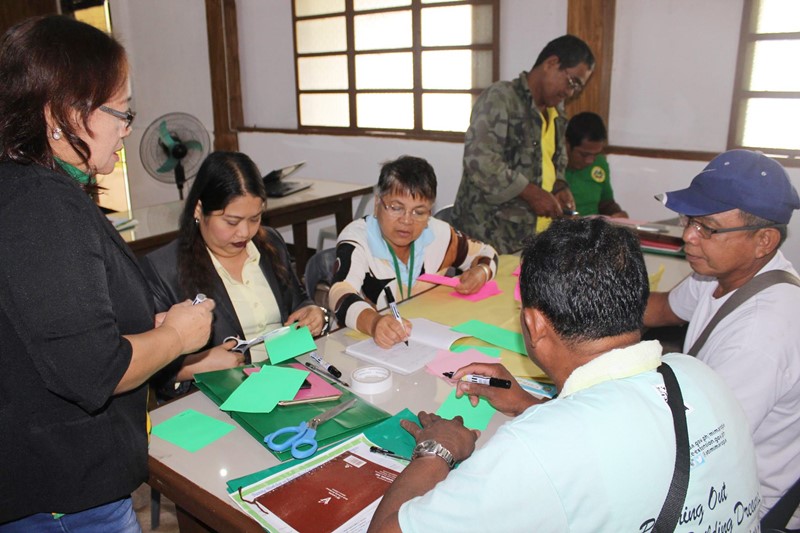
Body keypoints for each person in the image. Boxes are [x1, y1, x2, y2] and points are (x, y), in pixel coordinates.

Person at [367, 218, 761, 532]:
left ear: (534, 325)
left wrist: (438, 449)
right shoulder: (698, 375)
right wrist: (525, 402)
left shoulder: (535, 450)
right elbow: (614, 428)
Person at [0, 16, 213, 531]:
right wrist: (175, 335)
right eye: (120, 111)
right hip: (62, 492)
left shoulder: (29, 188)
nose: (127, 128)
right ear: (62, 113)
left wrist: (150, 330)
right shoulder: (42, 206)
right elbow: (96, 371)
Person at [643, 149, 800, 527]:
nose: (687, 238)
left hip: (739, 499)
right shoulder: (719, 274)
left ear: (764, 240)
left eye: (707, 229)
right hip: (701, 435)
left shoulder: (761, 334)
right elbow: (661, 309)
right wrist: (583, 310)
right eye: (689, 220)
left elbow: (696, 446)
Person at [140, 151, 327, 399]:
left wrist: (313, 313)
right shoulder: (163, 269)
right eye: (231, 221)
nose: (245, 232)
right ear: (199, 209)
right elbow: (145, 364)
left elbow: (298, 301)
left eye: (255, 218)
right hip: (217, 398)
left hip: (289, 381)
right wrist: (195, 367)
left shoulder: (269, 242)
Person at [330, 156, 498, 348]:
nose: (407, 220)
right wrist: (375, 322)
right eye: (396, 208)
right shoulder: (357, 240)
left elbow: (486, 252)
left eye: (419, 212)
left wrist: (481, 272)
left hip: (425, 339)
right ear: (377, 204)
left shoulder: (439, 234)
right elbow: (339, 294)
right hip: (363, 342)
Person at [451, 34, 594, 254]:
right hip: (489, 238)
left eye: (577, 88)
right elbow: (480, 161)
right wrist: (530, 192)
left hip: (532, 238)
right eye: (572, 82)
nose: (570, 92)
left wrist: (560, 186)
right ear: (551, 63)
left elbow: (555, 160)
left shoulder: (557, 112)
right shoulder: (502, 98)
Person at [564, 111, 628, 217]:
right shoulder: (549, 165)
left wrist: (617, 213)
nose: (590, 160)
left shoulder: (600, 163)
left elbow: (605, 203)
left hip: (592, 228)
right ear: (566, 144)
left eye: (596, 154)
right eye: (584, 155)